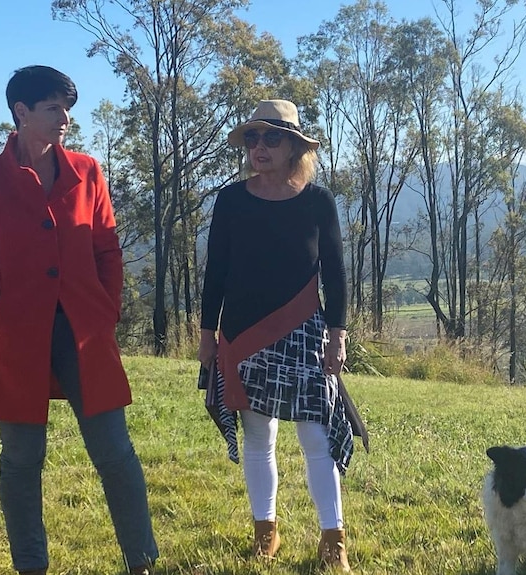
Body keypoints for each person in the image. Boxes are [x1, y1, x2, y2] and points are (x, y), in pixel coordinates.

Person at [0, 65, 158, 575]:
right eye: (53, 108)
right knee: (21, 461)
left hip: (85, 335)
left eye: (67, 108)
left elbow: (108, 248)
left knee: (115, 453)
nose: (65, 118)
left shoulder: (88, 170)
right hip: (15, 339)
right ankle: (31, 568)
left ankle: (142, 563)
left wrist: (106, 310)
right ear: (20, 113)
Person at [198, 99, 352, 571]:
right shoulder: (230, 201)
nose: (259, 147)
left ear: (293, 146)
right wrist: (208, 336)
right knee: (258, 438)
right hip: (242, 336)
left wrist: (337, 333)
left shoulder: (317, 200)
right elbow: (216, 274)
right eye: (252, 138)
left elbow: (336, 272)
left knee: (316, 437)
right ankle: (266, 532)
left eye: (272, 138)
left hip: (305, 331)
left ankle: (333, 540)